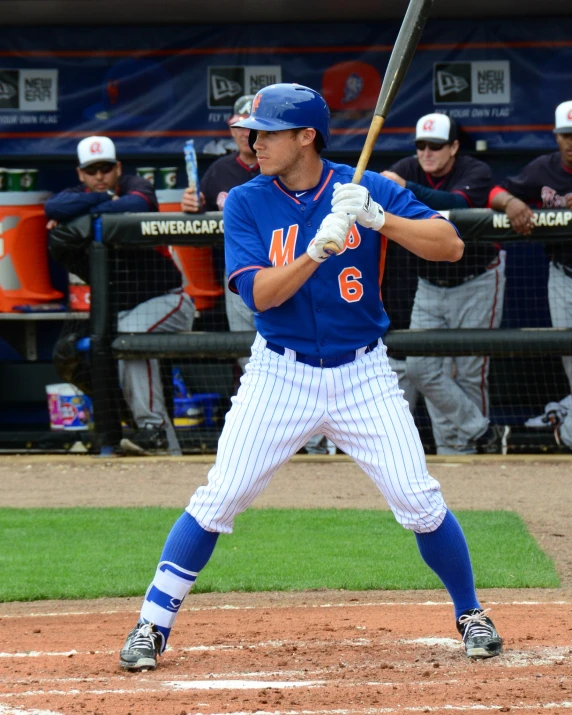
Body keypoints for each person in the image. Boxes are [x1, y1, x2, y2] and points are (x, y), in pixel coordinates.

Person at [118, 84, 503, 671]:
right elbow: (264, 297)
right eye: (252, 132)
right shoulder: (247, 201)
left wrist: (380, 219)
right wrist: (316, 252)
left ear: (306, 137)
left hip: (364, 374)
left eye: (268, 133)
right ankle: (152, 624)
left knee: (419, 501)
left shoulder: (362, 186)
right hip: (279, 373)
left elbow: (450, 245)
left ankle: (471, 613)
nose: (254, 142)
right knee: (219, 497)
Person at [182, 95, 333, 455]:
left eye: (261, 131)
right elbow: (197, 213)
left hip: (306, 283)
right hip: (248, 273)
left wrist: (380, 217)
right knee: (255, 362)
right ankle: (284, 437)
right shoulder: (221, 172)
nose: (251, 139)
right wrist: (192, 207)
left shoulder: (305, 174)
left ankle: (313, 440)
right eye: (244, 129)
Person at [45, 135, 195, 455]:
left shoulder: (135, 184)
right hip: (122, 308)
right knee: (74, 350)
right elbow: (53, 206)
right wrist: (101, 205)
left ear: (118, 168)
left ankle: (151, 429)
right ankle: (143, 434)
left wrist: (87, 212)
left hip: (169, 300)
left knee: (132, 334)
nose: (100, 176)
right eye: (92, 170)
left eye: (106, 168)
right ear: (81, 174)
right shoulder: (79, 194)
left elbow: (137, 203)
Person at [382, 113, 507, 455]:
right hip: (429, 281)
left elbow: (458, 205)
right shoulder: (406, 167)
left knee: (468, 372)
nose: (426, 153)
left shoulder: (474, 170)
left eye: (435, 146)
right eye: (421, 145)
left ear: (453, 147)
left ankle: (462, 454)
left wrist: (405, 189)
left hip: (477, 279)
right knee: (422, 368)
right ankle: (480, 433)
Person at [490, 99, 572, 448]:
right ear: (556, 137)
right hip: (563, 275)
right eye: (567, 135)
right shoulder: (544, 168)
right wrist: (511, 202)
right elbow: (494, 191)